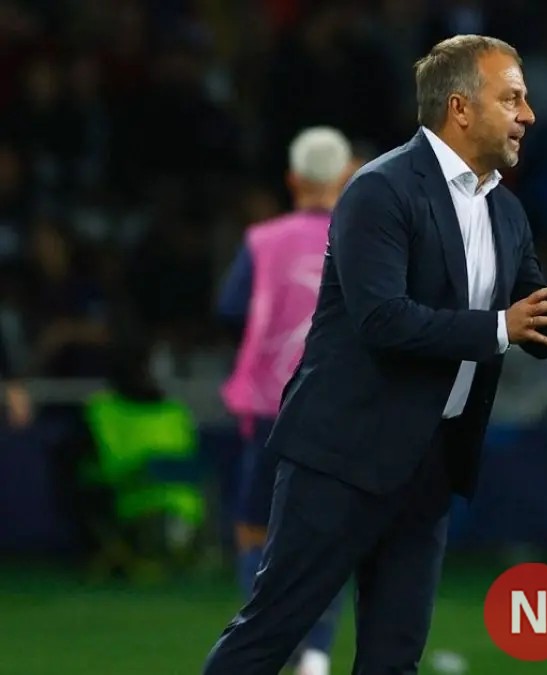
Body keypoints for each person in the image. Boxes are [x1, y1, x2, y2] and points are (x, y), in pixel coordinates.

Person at [201, 34, 547, 675]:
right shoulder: (379, 189)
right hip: (342, 454)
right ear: (460, 107)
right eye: (511, 98)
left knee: (394, 654)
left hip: (429, 462)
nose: (528, 115)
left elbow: (537, 325)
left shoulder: (505, 209)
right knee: (270, 634)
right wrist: (499, 326)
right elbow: (382, 319)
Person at [216, 126, 356, 675]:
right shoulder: (364, 237)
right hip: (340, 407)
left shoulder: (263, 241)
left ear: (293, 179)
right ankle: (317, 651)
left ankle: (277, 645)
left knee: (255, 530)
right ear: (346, 176)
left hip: (271, 406)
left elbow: (231, 311)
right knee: (329, 533)